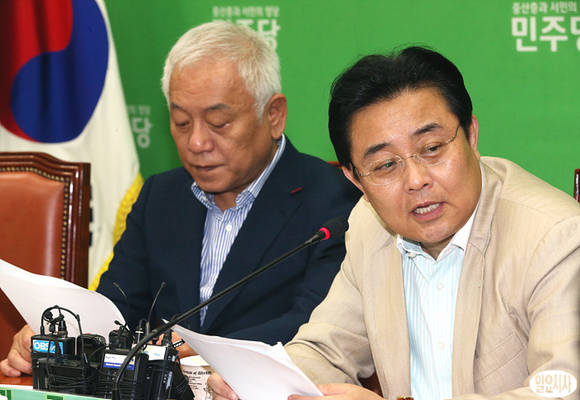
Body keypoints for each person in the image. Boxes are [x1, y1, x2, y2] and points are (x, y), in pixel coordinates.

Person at [209, 46, 580, 400]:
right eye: (386, 165)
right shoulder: (370, 225)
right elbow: (328, 351)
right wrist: (257, 381)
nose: (416, 180)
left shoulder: (555, 236)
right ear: (356, 180)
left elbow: (564, 389)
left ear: (471, 136)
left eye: (432, 148)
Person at [0, 21, 359, 377]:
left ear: (273, 115)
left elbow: (318, 325)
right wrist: (64, 336)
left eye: (218, 123)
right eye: (182, 122)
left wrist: (206, 352)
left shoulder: (335, 201)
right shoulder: (161, 196)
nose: (197, 143)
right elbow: (117, 307)